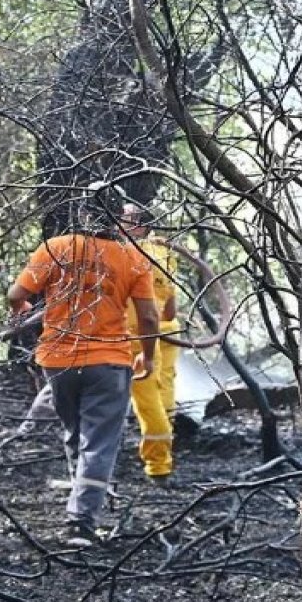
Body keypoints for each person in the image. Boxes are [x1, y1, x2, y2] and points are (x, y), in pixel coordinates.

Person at [8, 198, 160, 546]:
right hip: (109, 362)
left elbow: (15, 294)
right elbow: (150, 318)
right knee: (98, 443)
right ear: (115, 221)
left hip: (58, 360)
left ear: (81, 216)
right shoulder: (133, 259)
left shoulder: (55, 248)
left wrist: (22, 311)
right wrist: (148, 358)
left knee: (76, 433)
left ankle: (82, 497)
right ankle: (81, 522)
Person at [118, 204, 181, 483]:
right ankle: (169, 442)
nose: (119, 223)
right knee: (164, 390)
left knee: (146, 399)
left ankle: (159, 465)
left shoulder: (129, 254)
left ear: (140, 225)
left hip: (140, 333)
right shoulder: (162, 251)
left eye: (126, 219)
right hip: (167, 329)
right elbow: (171, 305)